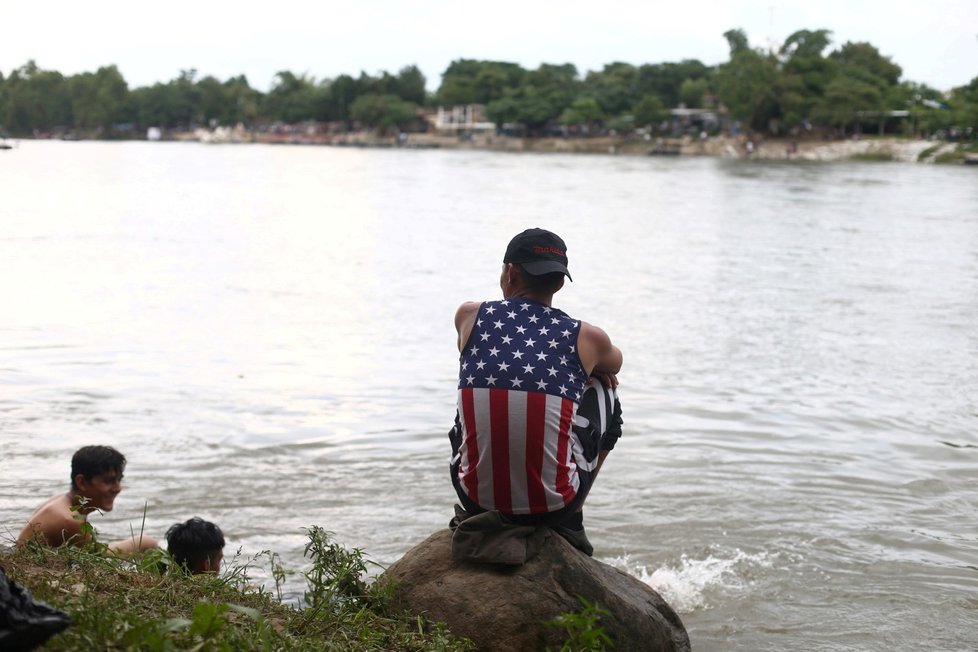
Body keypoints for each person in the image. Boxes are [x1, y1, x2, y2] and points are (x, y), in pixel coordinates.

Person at [449, 228, 623, 556]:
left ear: (510, 273)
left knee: (473, 396)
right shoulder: (586, 336)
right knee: (604, 387)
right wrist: (591, 364)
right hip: (553, 507)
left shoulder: (468, 316)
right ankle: (572, 518)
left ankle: (482, 489)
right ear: (559, 283)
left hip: (473, 497)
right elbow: (615, 364)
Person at [16, 445, 158, 554]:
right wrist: (144, 543)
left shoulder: (62, 501)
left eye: (119, 480)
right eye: (108, 481)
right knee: (146, 542)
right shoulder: (70, 520)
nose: (117, 488)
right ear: (82, 482)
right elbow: (97, 559)